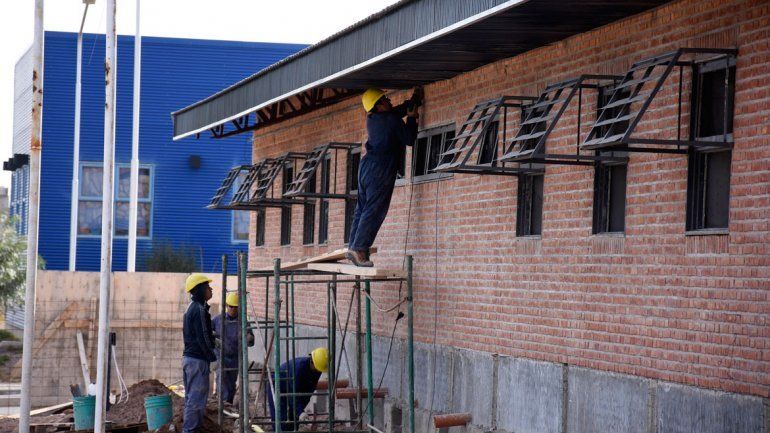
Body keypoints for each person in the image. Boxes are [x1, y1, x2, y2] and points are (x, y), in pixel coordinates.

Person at [346, 87, 422, 267]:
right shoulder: (391, 120)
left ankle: (353, 246)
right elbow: (409, 139)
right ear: (378, 106)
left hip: (366, 166)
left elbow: (395, 112)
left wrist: (412, 102)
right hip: (380, 168)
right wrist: (412, 117)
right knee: (374, 210)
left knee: (362, 208)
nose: (389, 101)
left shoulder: (372, 118)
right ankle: (360, 249)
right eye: (385, 99)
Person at [182, 273, 217, 433]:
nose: (211, 289)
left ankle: (191, 429)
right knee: (196, 399)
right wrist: (212, 355)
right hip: (197, 360)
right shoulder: (199, 309)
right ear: (200, 290)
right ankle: (190, 430)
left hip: (190, 359)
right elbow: (203, 335)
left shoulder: (192, 308)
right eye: (208, 287)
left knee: (192, 398)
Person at [267, 348, 328, 431]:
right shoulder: (299, 369)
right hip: (276, 385)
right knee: (281, 421)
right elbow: (293, 393)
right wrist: (299, 411)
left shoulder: (317, 369)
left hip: (291, 387)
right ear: (312, 362)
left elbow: (309, 391)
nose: (319, 371)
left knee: (293, 422)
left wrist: (301, 411)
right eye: (318, 368)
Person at [211, 292, 255, 405]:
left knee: (231, 383)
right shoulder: (218, 320)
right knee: (222, 379)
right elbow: (207, 332)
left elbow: (251, 340)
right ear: (227, 306)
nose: (233, 309)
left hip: (235, 358)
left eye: (235, 307)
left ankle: (228, 403)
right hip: (220, 356)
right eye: (231, 306)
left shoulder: (243, 322)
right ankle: (223, 404)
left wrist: (249, 337)